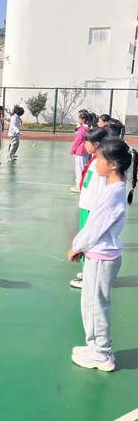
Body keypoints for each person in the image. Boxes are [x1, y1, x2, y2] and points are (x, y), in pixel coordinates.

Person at [67, 137, 138, 372]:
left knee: (95, 306)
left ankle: (101, 354)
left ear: (114, 165)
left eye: (100, 159)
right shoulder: (113, 189)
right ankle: (95, 346)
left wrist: (77, 247)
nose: (96, 162)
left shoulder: (112, 194)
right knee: (91, 304)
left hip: (101, 256)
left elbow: (95, 227)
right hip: (100, 254)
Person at [69, 128, 109, 289]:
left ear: (96, 144)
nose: (84, 144)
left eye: (87, 141)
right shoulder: (95, 160)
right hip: (86, 206)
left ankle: (90, 277)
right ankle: (88, 271)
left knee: (90, 241)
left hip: (92, 208)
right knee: (86, 239)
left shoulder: (102, 164)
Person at [70, 112, 90, 193]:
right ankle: (80, 183)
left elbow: (77, 140)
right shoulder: (87, 128)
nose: (78, 120)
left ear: (83, 120)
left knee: (79, 169)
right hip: (85, 151)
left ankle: (79, 186)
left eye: (79, 118)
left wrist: (72, 150)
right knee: (83, 167)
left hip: (80, 151)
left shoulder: (82, 129)